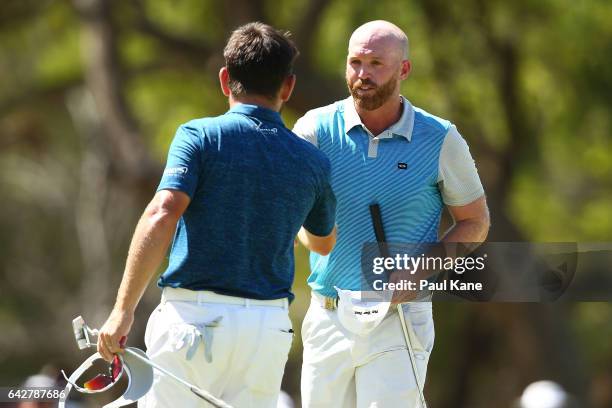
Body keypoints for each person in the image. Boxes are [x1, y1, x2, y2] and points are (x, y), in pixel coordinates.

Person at [96, 22, 337, 408]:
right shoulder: (314, 162)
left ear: (225, 79)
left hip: (194, 319)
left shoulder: (200, 136)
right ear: (287, 87)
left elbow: (162, 213)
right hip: (266, 330)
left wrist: (122, 312)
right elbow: (324, 242)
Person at [293, 20, 490, 407]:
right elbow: (295, 210)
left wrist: (413, 275)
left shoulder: (441, 138)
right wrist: (312, 233)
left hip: (398, 317)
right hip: (328, 313)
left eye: (376, 63)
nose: (362, 74)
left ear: (403, 70)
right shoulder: (314, 129)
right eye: (355, 62)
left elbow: (475, 222)